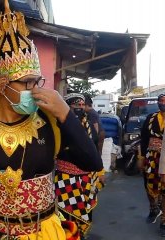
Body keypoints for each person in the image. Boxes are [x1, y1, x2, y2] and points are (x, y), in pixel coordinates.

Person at [0, 1, 102, 239]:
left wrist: (64, 114)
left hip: (46, 232)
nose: (34, 89)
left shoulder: (49, 124)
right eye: (26, 82)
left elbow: (92, 162)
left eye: (35, 81)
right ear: (1, 83)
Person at [54, 93, 104, 238]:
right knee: (68, 218)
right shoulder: (58, 126)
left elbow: (94, 147)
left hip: (87, 178)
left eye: (82, 105)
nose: (80, 108)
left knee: (86, 212)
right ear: (67, 107)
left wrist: (99, 171)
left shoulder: (88, 123)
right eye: (77, 105)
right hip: (66, 179)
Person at [141, 92, 165, 237]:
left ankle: (164, 221)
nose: (163, 103)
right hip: (151, 158)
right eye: (161, 100)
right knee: (149, 185)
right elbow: (144, 138)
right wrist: (141, 157)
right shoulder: (151, 118)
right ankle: (153, 209)